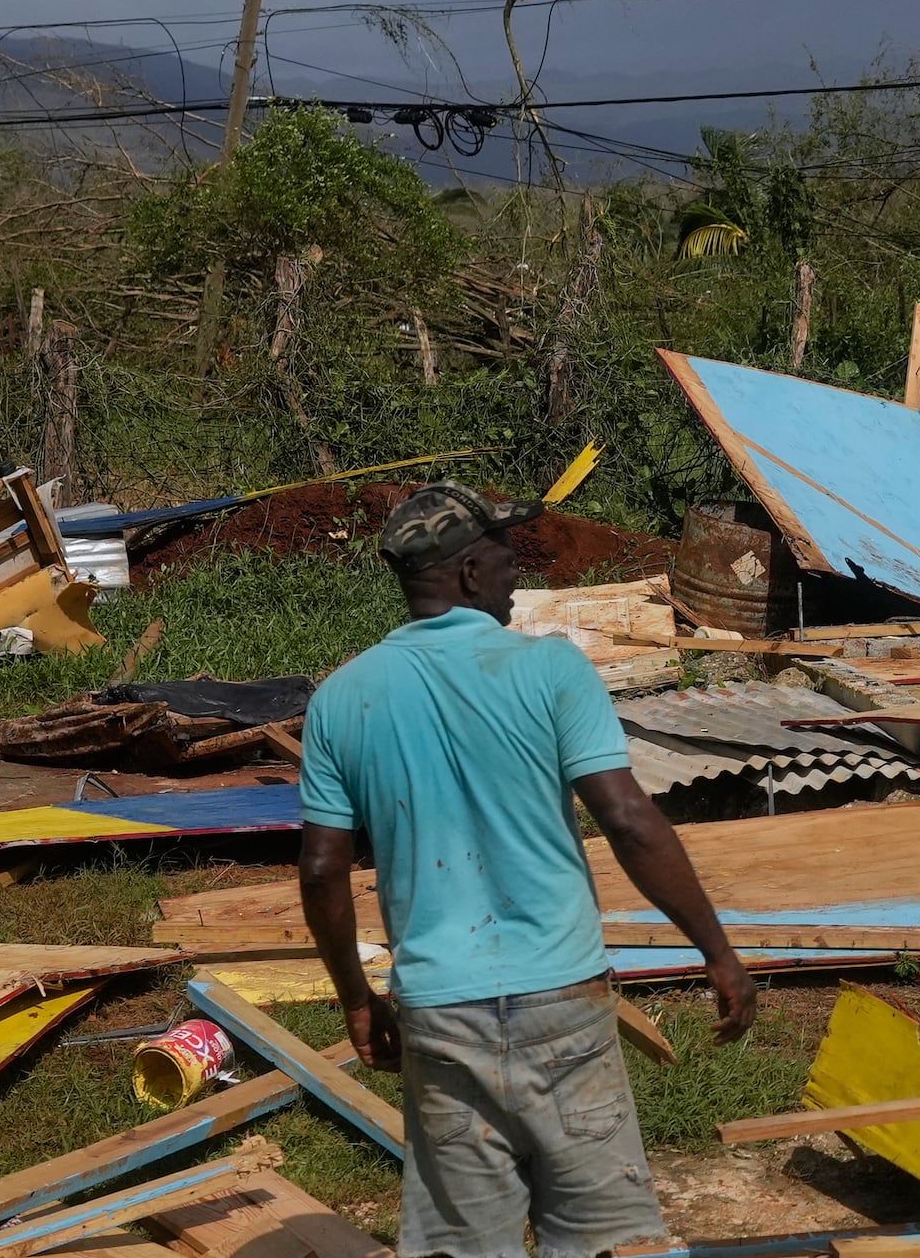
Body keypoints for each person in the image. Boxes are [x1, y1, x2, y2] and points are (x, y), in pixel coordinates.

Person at [297, 481, 757, 1258]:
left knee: (464, 1244)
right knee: (605, 1239)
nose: (518, 571)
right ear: (471, 571)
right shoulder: (551, 670)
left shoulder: (341, 699)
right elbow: (628, 818)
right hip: (562, 1001)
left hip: (440, 1011)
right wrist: (717, 952)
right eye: (507, 555)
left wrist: (356, 997)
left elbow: (320, 868)